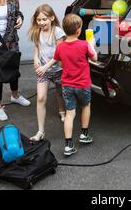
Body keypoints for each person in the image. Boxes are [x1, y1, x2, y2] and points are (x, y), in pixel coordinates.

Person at [37, 14, 97, 156]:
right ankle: (84, 134)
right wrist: (91, 44)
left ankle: (68, 145)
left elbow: (60, 63)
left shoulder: (61, 47)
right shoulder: (84, 45)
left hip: (67, 85)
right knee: (85, 106)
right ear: (78, 30)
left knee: (70, 113)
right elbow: (94, 58)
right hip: (82, 84)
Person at [28, 4, 67, 141]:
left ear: (51, 18)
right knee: (40, 98)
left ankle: (62, 111)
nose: (41, 22)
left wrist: (45, 66)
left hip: (59, 70)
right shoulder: (38, 31)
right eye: (38, 20)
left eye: (44, 19)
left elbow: (59, 54)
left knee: (59, 93)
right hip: (43, 71)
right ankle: (40, 132)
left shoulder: (58, 32)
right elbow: (37, 48)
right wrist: (35, 59)